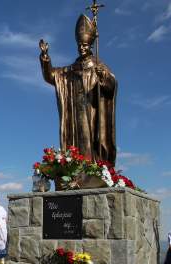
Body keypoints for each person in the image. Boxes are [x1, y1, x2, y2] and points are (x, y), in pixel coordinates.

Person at [39, 14, 117, 165]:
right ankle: (74, 170)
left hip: (91, 113)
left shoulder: (98, 67)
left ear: (91, 46)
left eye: (85, 45)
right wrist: (45, 58)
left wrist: (103, 78)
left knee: (90, 142)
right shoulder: (69, 70)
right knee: (74, 142)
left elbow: (111, 87)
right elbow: (51, 76)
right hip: (73, 112)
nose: (81, 48)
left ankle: (93, 168)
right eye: (79, 45)